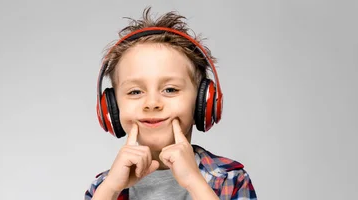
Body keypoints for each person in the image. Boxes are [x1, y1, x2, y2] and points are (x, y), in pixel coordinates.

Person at [85, 7, 257, 200]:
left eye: (170, 89)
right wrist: (110, 189)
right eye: (135, 91)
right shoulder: (103, 188)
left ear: (204, 102)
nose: (152, 103)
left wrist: (194, 182)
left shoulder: (230, 179)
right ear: (111, 109)